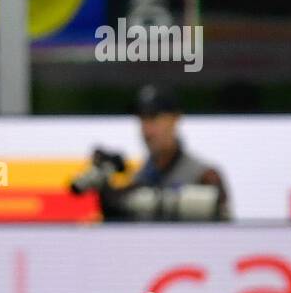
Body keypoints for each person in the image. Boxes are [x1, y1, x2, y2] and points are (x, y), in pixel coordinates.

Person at [97, 85, 231, 222]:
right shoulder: (139, 179)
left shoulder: (205, 176)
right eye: (142, 119)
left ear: (175, 119)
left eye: (153, 117)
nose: (147, 130)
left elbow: (222, 235)